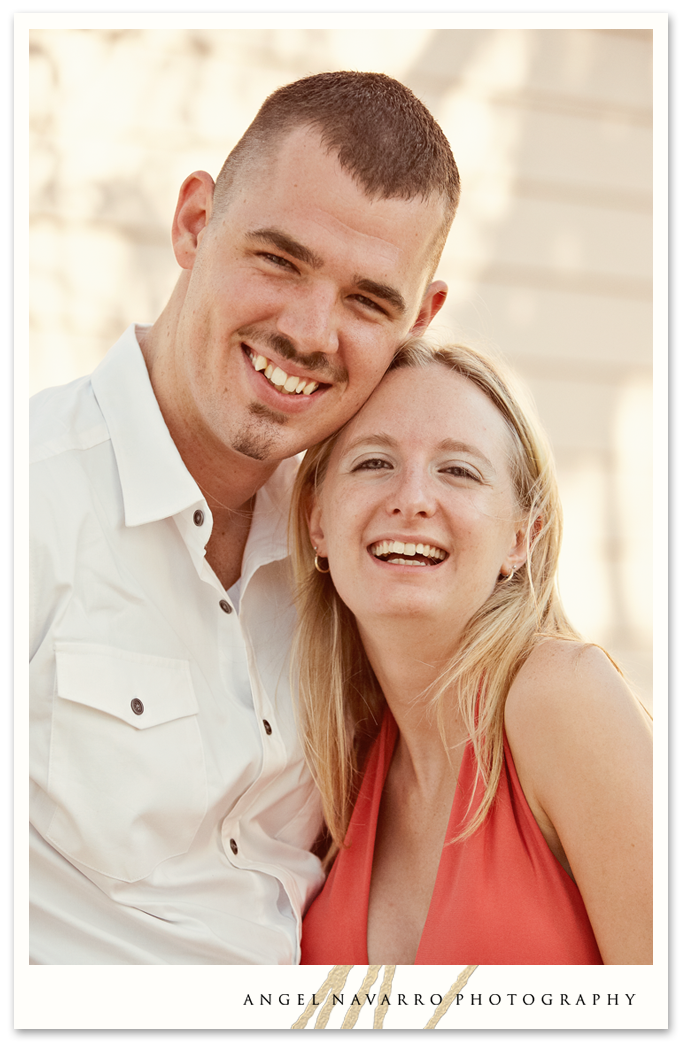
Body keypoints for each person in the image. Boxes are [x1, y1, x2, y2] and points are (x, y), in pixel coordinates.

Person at [29, 71, 459, 964]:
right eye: (279, 259)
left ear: (419, 319)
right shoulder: (28, 495)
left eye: (368, 302)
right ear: (194, 224)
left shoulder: (354, 559)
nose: (310, 330)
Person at [292, 339, 653, 965]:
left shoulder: (561, 694)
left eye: (458, 470)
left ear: (521, 537)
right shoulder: (332, 773)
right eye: (374, 462)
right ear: (317, 519)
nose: (412, 498)